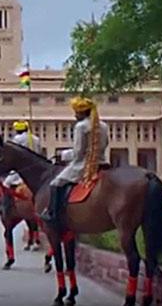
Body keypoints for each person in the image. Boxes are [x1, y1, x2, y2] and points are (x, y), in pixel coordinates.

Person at [40, 97, 109, 228]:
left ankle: (53, 213)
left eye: (76, 112)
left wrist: (63, 154)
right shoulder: (104, 125)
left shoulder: (81, 126)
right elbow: (105, 144)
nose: (75, 115)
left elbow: (78, 153)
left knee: (56, 182)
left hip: (84, 165)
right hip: (102, 163)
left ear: (82, 113)